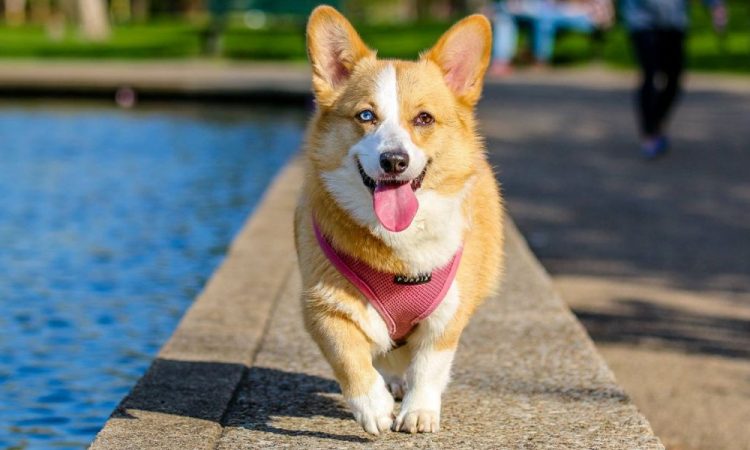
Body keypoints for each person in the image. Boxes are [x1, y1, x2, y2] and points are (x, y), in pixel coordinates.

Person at [622, 0, 727, 159]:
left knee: (675, 78)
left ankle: (657, 122)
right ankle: (649, 133)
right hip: (642, 21)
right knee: (650, 74)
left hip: (674, 21)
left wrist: (716, 7)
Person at [490, 0, 614, 75]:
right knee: (504, 16)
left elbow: (575, 4)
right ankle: (501, 61)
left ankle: (539, 59)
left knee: (544, 18)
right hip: (558, 11)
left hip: (590, 16)